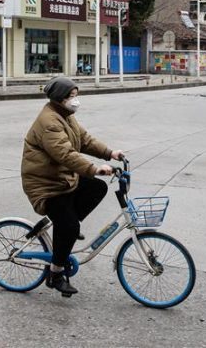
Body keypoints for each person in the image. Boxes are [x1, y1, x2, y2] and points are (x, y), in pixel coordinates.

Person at [21, 77, 123, 296]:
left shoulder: (65, 116)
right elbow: (65, 154)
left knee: (97, 188)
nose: (76, 100)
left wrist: (110, 153)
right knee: (68, 226)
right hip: (45, 185)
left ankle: (67, 227)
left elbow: (84, 140)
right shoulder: (49, 122)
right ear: (60, 98)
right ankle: (55, 273)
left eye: (76, 96)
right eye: (72, 96)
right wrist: (95, 168)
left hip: (61, 179)